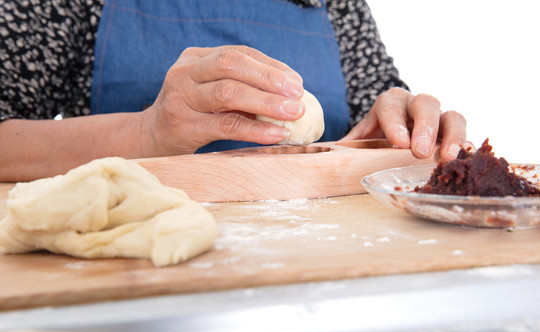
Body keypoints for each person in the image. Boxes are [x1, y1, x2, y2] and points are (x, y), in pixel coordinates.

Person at [0, 0, 466, 182]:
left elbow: (380, 112)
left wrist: (399, 118)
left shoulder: (334, 3)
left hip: (320, 265)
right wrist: (145, 133)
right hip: (129, 270)